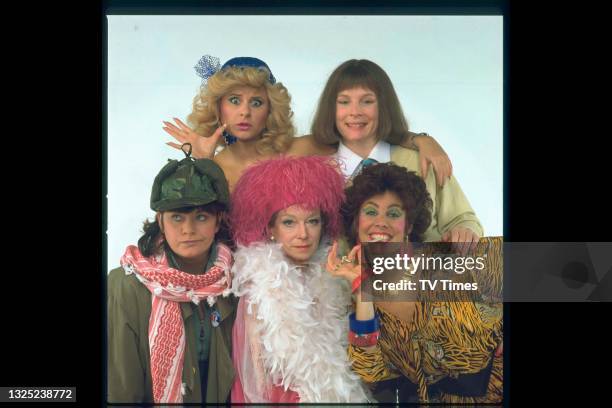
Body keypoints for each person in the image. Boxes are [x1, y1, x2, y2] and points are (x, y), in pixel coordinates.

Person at [327, 162, 503, 403]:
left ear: (408, 225)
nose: (381, 221)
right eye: (370, 211)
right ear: (356, 223)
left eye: (393, 213)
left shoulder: (453, 257)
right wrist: (362, 292)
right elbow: (371, 371)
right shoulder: (360, 303)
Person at [162, 55, 452, 192]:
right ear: (218, 107)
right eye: (234, 101)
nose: (245, 113)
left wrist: (421, 139)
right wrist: (202, 163)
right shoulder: (212, 166)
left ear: (270, 109)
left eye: (257, 102)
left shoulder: (299, 148)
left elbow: (359, 131)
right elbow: (195, 229)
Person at [228, 156, 370, 403]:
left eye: (312, 221)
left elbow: (366, 356)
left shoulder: (335, 276)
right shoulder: (259, 290)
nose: (303, 234)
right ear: (271, 229)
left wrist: (361, 290)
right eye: (289, 222)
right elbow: (254, 389)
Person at [107, 144, 237, 403]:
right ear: (161, 221)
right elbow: (122, 388)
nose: (188, 229)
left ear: (218, 220)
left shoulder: (234, 280)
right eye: (177, 218)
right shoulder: (126, 285)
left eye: (201, 217)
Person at [311, 59, 482, 248]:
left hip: (423, 273)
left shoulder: (423, 160)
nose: (355, 112)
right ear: (331, 109)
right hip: (342, 277)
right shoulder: (315, 173)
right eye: (344, 102)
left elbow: (463, 219)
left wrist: (465, 230)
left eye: (367, 101)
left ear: (384, 107)